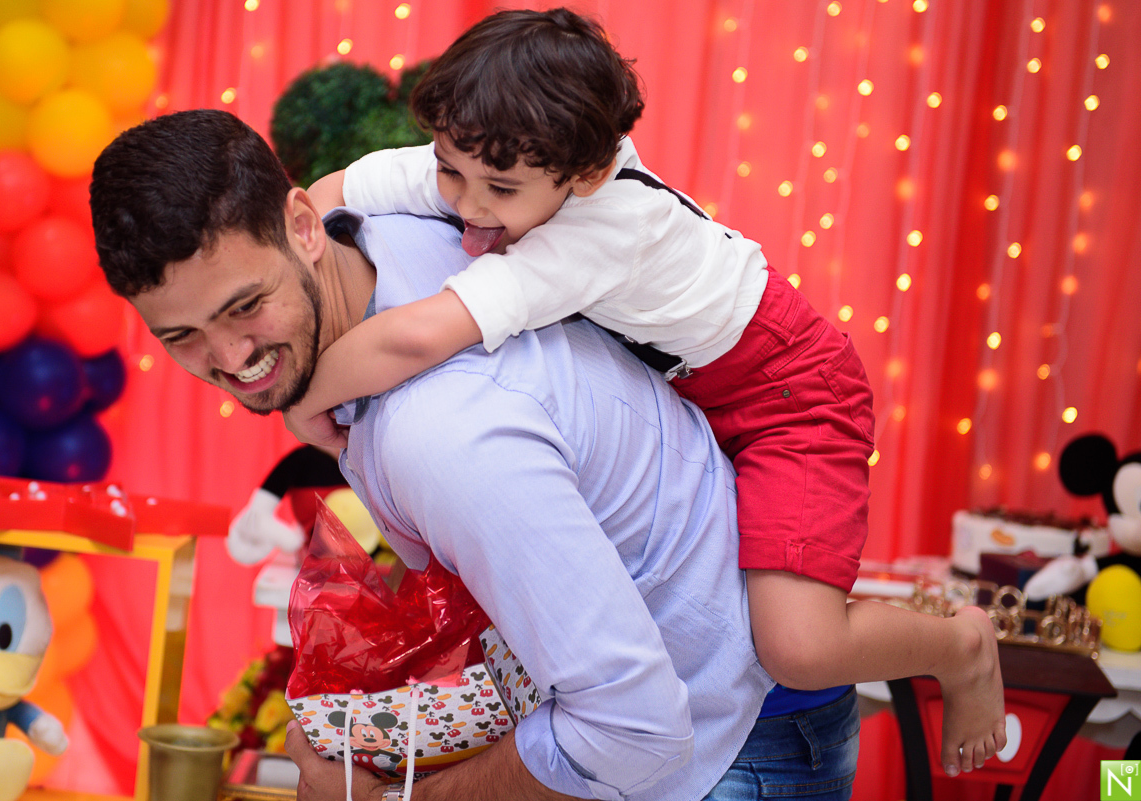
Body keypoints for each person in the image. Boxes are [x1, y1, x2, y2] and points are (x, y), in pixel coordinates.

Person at [288, 7, 1006, 778]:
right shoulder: (497, 158)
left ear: (587, 174)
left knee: (798, 644)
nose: (467, 205)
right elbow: (332, 192)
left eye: (499, 188)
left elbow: (418, 336)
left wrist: (299, 396)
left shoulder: (600, 230)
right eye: (449, 172)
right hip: (698, 385)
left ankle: (960, 645)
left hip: (790, 395)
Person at [90, 109, 863, 801]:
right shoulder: (397, 222)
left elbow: (633, 728)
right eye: (182, 336)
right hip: (702, 688)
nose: (231, 357)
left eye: (246, 306)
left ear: (301, 225)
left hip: (728, 746)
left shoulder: (442, 436)